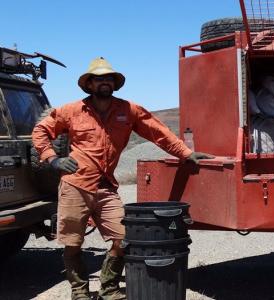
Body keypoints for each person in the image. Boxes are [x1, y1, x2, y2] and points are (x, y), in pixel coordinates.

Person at [32, 57, 213, 300]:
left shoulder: (129, 110)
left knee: (123, 238)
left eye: (108, 78)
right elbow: (41, 131)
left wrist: (186, 153)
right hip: (75, 184)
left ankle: (109, 288)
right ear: (90, 84)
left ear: (114, 83)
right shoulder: (71, 111)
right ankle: (80, 291)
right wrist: (53, 159)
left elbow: (159, 133)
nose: (104, 82)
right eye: (98, 79)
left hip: (106, 187)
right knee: (73, 243)